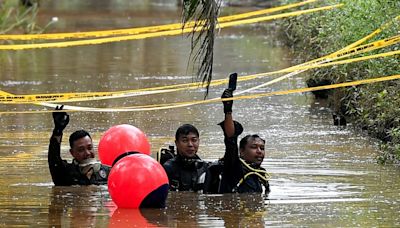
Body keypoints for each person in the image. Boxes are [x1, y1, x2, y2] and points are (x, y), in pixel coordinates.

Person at [218, 88, 270, 194]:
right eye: (254, 147)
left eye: (262, 148)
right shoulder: (234, 167)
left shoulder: (261, 174)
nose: (259, 151)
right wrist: (228, 110)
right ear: (241, 151)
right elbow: (230, 141)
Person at [48, 105, 110, 186]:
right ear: (72, 153)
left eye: (90, 148)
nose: (87, 153)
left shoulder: (108, 172)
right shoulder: (65, 174)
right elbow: (53, 159)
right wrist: (58, 130)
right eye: (81, 150)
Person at [162, 124, 209, 191]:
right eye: (185, 141)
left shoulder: (203, 168)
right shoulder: (168, 168)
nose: (190, 144)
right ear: (177, 143)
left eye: (194, 140)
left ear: (199, 141)